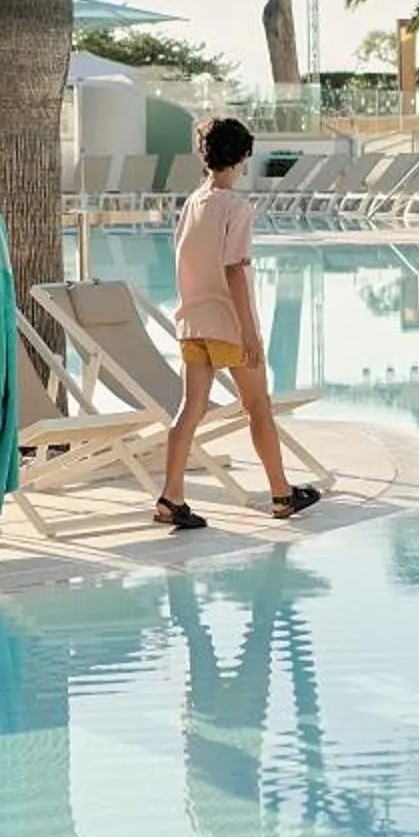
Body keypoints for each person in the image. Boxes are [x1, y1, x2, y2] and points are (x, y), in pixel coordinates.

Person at [156, 116, 319, 531]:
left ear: (204, 156)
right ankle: (282, 494)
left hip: (192, 320)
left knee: (189, 410)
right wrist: (249, 332)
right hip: (228, 323)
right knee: (258, 407)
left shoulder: (193, 202)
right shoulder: (236, 207)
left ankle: (170, 498)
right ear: (244, 156)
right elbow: (233, 271)